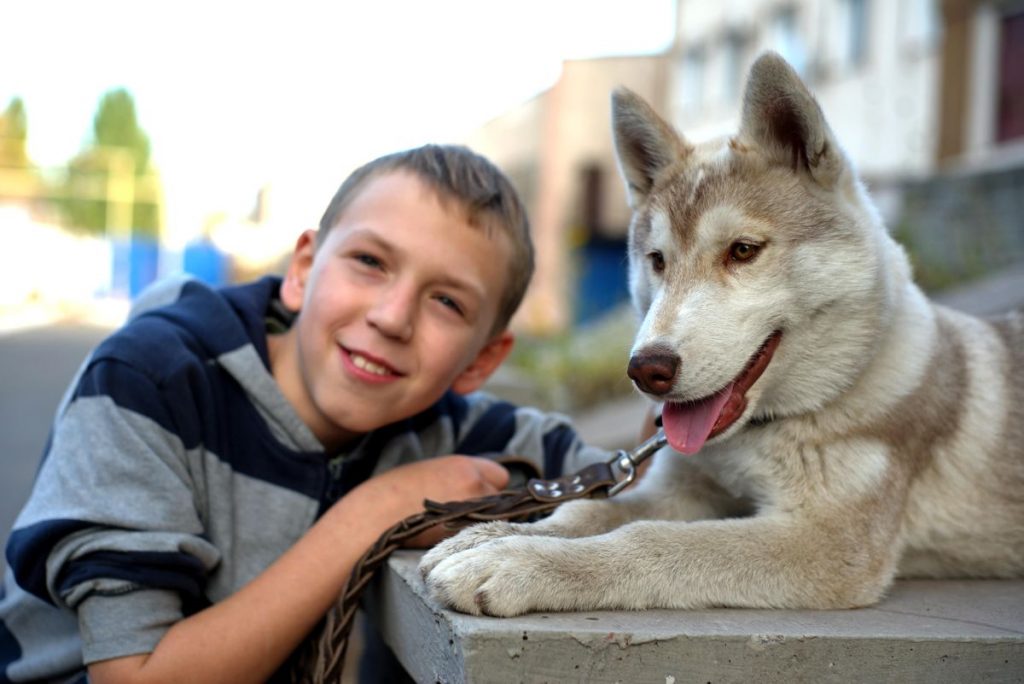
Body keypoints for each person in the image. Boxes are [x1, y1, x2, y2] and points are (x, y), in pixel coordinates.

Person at [0, 144, 614, 683]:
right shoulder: (149, 383)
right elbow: (137, 678)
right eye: (370, 262)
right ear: (301, 271)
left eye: (447, 301)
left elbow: (641, 477)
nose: (392, 317)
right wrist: (377, 512)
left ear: (481, 359)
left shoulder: (449, 428)